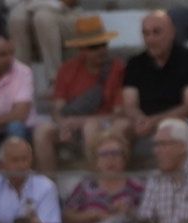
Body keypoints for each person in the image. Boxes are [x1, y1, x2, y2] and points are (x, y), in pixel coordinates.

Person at [31, 16, 128, 175]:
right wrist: (63, 125)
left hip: (104, 126)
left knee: (91, 127)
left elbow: (118, 114)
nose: (101, 50)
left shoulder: (117, 69)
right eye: (94, 46)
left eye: (103, 44)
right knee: (42, 131)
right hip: (72, 125)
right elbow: (59, 108)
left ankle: (95, 185)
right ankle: (49, 191)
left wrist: (78, 122)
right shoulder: (67, 69)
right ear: (82, 49)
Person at [122, 12, 188, 145]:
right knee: (118, 128)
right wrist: (140, 119)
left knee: (171, 128)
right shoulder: (135, 63)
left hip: (179, 121)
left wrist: (153, 122)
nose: (150, 39)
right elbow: (129, 104)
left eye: (157, 32)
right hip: (143, 121)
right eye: (146, 33)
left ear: (172, 33)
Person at [62, 131, 144, 223]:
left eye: (116, 154)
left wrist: (129, 212)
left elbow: (147, 218)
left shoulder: (136, 186)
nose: (110, 160)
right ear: (96, 161)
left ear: (124, 158)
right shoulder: (86, 186)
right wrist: (89, 216)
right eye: (104, 155)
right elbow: (67, 217)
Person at [0, 31, 35, 162]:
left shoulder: (23, 72)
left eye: (11, 53)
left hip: (17, 133)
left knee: (15, 126)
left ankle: (15, 175)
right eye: (2, 55)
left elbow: (20, 115)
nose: (10, 59)